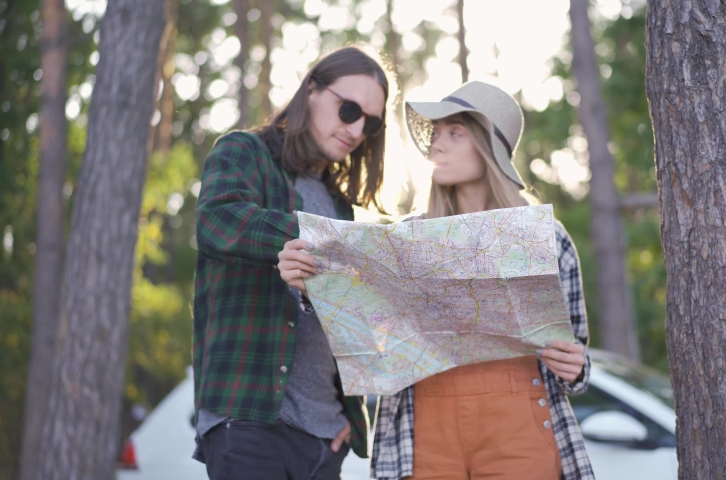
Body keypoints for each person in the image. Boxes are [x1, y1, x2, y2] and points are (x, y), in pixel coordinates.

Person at [372, 81, 596, 479]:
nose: (437, 146)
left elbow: (575, 353)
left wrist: (576, 366)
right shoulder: (404, 239)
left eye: (455, 133)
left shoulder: (546, 237)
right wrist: (311, 282)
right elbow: (366, 332)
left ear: (488, 149)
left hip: (519, 428)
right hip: (426, 428)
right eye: (435, 134)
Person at [191, 46, 393, 480]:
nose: (358, 130)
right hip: (250, 423)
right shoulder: (244, 151)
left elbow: (346, 319)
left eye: (371, 123)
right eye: (350, 110)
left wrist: (350, 419)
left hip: (325, 438)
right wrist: (309, 238)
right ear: (312, 90)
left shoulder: (340, 205)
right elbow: (216, 221)